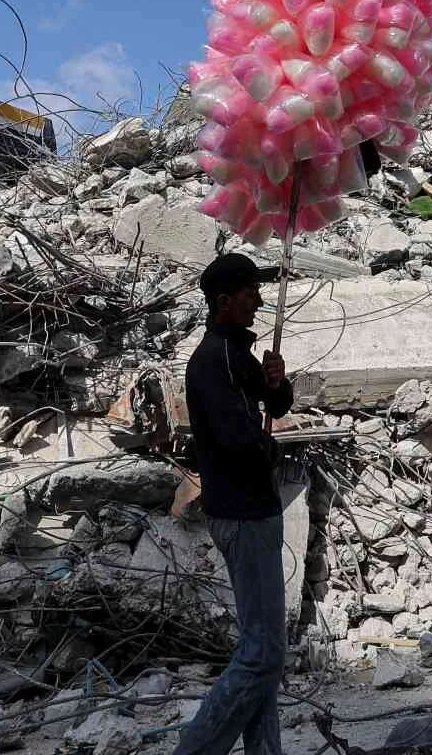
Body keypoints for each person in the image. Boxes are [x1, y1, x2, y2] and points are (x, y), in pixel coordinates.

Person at [171, 253, 294, 755]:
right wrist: (271, 449)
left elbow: (277, 406)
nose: (259, 301)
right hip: (242, 513)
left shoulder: (235, 354)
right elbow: (239, 441)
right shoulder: (211, 362)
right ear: (224, 302)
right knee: (263, 655)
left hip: (253, 510)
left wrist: (276, 383)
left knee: (263, 650)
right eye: (249, 294)